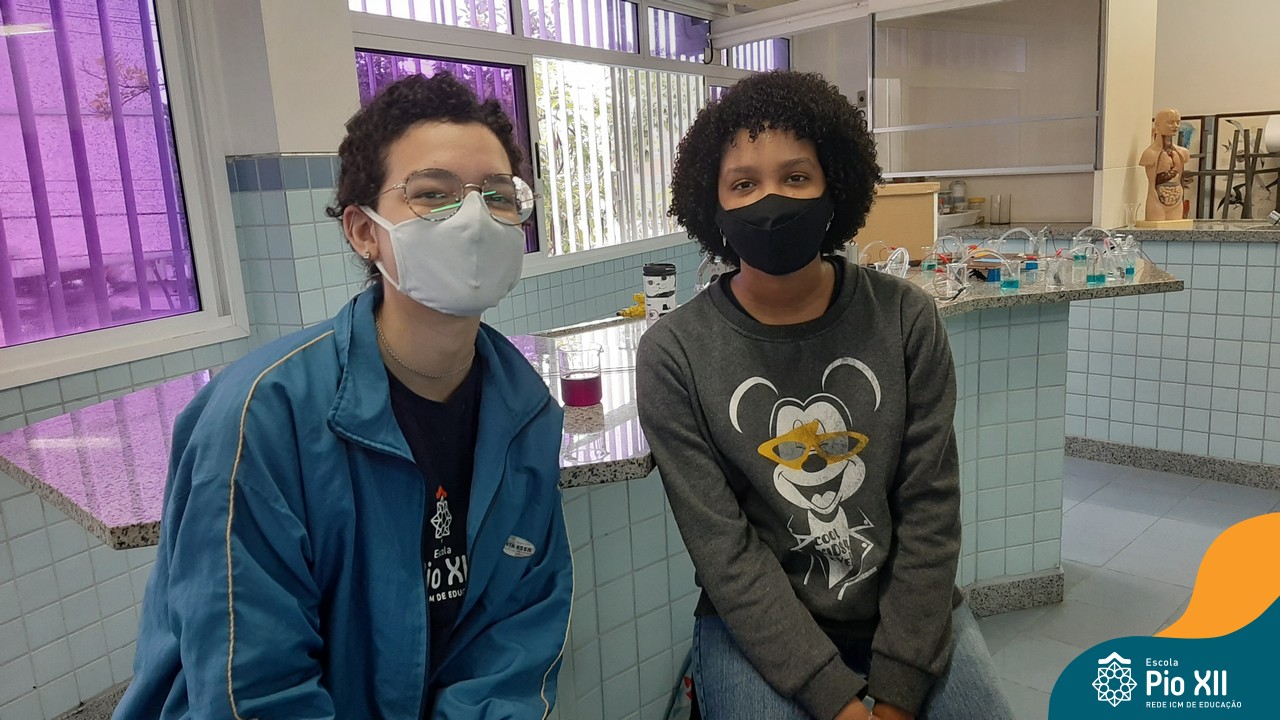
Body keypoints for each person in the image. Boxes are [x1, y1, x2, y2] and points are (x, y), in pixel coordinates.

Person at [116, 73, 572, 719]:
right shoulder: (262, 418)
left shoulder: (525, 413)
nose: (474, 220)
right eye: (433, 194)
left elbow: (513, 639)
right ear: (363, 231)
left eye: (497, 196)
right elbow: (252, 686)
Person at [636, 71, 1012, 720]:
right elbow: (725, 554)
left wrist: (896, 692)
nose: (771, 201)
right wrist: (837, 703)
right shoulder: (675, 353)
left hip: (904, 616)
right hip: (758, 627)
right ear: (711, 204)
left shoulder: (905, 319)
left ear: (834, 186)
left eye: (796, 176)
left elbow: (929, 511)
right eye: (744, 183)